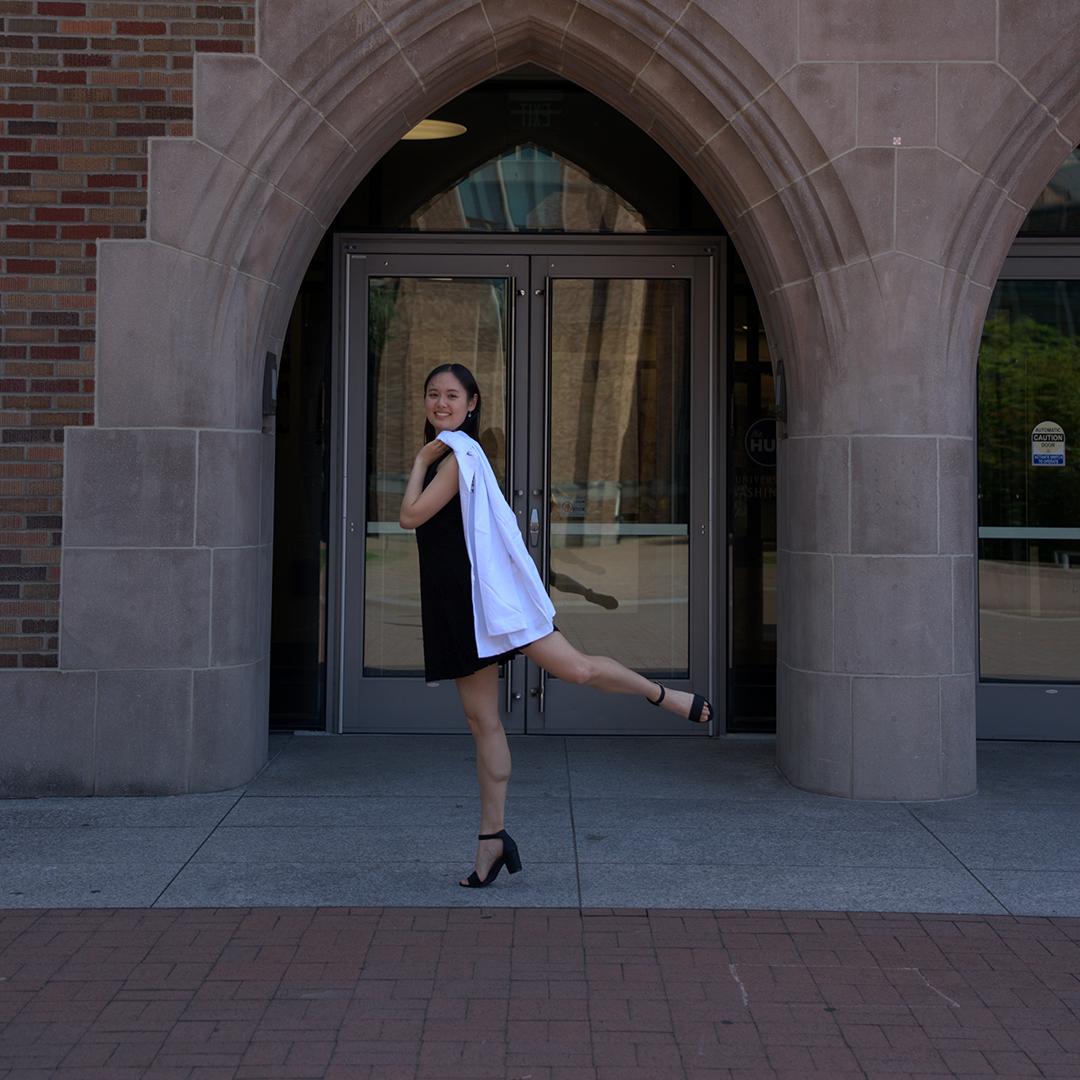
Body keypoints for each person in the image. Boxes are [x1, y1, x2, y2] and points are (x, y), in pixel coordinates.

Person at [398, 363, 713, 889]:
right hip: (459, 606)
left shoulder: (454, 458)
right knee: (483, 724)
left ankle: (665, 696)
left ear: (472, 404)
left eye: (453, 396)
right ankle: (491, 841)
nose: (441, 404)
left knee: (577, 668)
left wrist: (421, 458)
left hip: (488, 606)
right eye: (433, 395)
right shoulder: (454, 457)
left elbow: (409, 517)